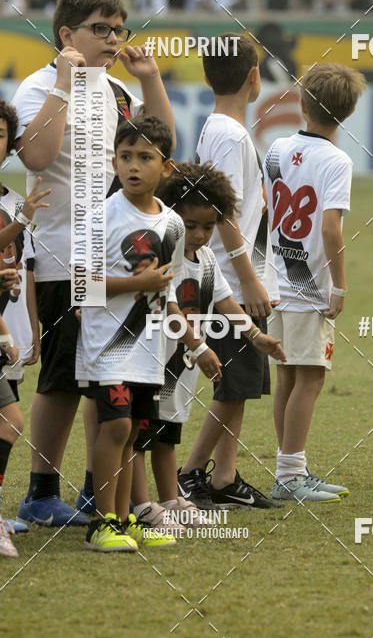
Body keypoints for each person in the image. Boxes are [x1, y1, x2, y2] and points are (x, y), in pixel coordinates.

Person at [12, 0, 175, 526]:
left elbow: (160, 146)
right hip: (62, 257)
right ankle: (41, 492)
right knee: (60, 380)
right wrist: (64, 81)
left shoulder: (118, 91)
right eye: (99, 28)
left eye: (118, 29)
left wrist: (150, 79)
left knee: (110, 378)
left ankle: (96, 491)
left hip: (117, 265)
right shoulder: (38, 87)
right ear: (66, 35)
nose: (111, 39)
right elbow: (37, 153)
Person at [77, 116, 220, 551]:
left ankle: (126, 520)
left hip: (150, 349)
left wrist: (196, 344)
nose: (133, 166)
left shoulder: (173, 225)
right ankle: (102, 524)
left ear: (167, 167)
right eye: (125, 157)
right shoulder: (101, 214)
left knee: (135, 433)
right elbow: (80, 286)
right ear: (114, 162)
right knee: (117, 426)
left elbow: (170, 294)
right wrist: (136, 285)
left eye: (145, 158)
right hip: (108, 346)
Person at [131, 162, 285, 523]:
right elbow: (169, 308)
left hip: (180, 368)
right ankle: (140, 506)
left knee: (168, 436)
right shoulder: (162, 256)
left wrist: (256, 335)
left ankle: (171, 503)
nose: (200, 235)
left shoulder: (207, 258)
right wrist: (200, 348)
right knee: (138, 437)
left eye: (209, 226)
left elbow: (226, 302)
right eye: (191, 226)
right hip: (151, 364)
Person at [178, 34, 285, 509]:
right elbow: (221, 213)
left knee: (239, 385)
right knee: (234, 381)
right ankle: (189, 474)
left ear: (206, 76)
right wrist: (248, 279)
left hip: (231, 274)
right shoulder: (230, 133)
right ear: (253, 76)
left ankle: (224, 478)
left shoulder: (219, 128)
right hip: (227, 279)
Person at [264, 63, 366, 502]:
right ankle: (289, 475)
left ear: (302, 105)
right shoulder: (337, 160)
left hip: (274, 278)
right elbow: (329, 229)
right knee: (311, 378)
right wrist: (338, 286)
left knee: (287, 375)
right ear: (349, 112)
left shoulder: (276, 147)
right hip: (307, 286)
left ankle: (293, 466)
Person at [0, 101, 52, 548]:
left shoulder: (19, 203)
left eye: (1, 133)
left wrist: (31, 330)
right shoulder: (21, 213)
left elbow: (29, 268)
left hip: (9, 332)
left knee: (7, 416)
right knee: (8, 420)